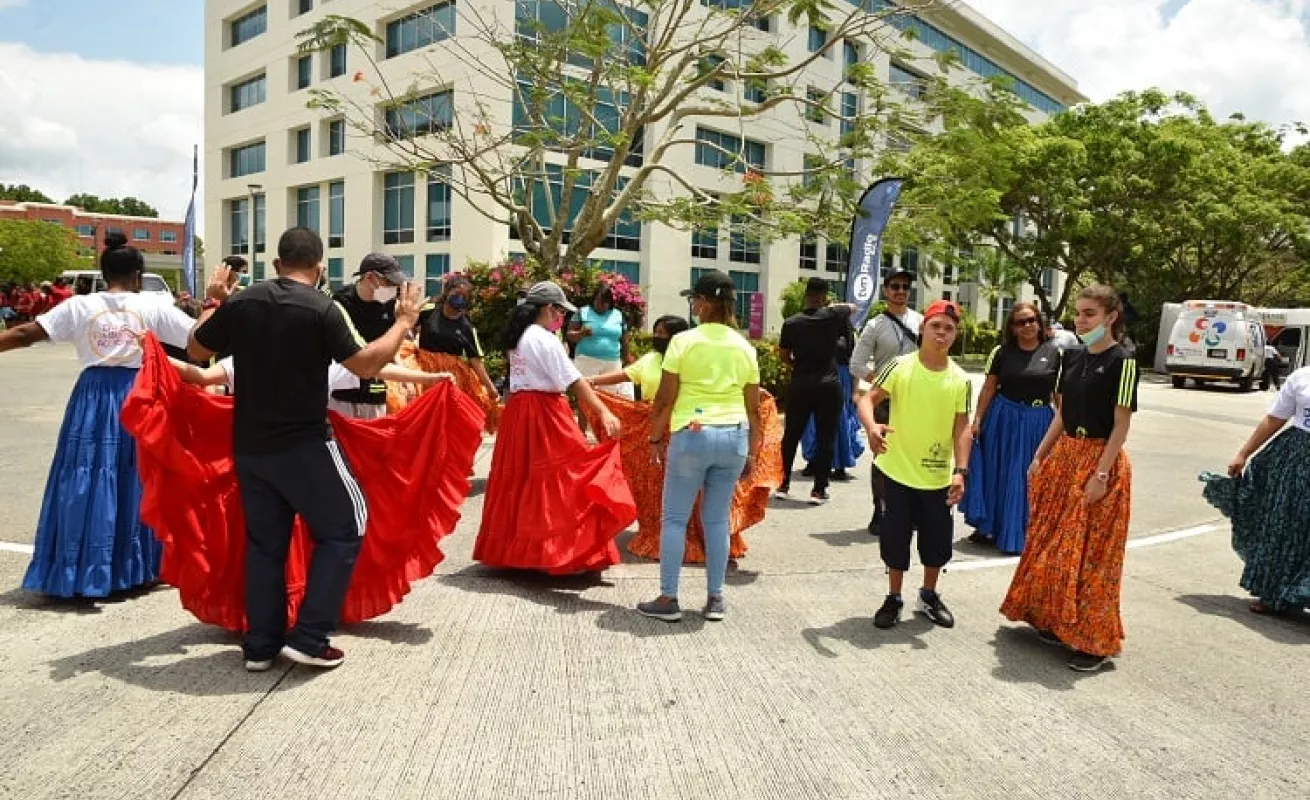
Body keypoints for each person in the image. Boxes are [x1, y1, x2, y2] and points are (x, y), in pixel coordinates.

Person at [185, 226, 422, 671]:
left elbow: (197, 348)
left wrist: (215, 300)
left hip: (252, 447)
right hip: (305, 443)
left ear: (276, 264)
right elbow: (366, 363)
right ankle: (310, 637)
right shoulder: (323, 307)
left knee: (265, 545)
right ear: (319, 268)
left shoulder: (244, 301)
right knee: (347, 525)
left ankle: (260, 645)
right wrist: (404, 322)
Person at [0, 232, 198, 597]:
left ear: (104, 272)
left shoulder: (79, 306)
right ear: (138, 274)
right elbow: (199, 339)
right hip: (139, 395)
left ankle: (77, 569)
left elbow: (27, 333)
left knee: (84, 475)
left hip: (91, 398)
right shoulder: (152, 306)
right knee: (137, 476)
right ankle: (133, 567)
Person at [1000, 285, 1138, 672]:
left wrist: (1101, 474)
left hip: (1098, 459)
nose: (1081, 320)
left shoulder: (1122, 361)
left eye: (1090, 313)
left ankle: (1094, 641)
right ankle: (1052, 619)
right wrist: (1040, 455)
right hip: (1065, 458)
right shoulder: (1071, 357)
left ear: (1111, 317)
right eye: (1078, 313)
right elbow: (1062, 414)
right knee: (1050, 545)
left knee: (1093, 555)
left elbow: (1121, 424)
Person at [588, 316, 784, 565]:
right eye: (656, 331)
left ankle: (698, 554)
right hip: (657, 428)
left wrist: (758, 396)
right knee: (660, 494)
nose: (657, 336)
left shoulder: (693, 358)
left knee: (704, 497)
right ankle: (693, 568)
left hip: (688, 430)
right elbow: (627, 375)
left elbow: (723, 384)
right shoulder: (651, 360)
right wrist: (590, 383)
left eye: (662, 333)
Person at [472, 281, 636, 574]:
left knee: (521, 481)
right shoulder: (545, 339)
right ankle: (564, 552)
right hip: (544, 412)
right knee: (568, 475)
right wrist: (603, 411)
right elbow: (574, 381)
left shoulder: (520, 337)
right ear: (549, 309)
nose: (562, 317)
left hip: (520, 411)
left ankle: (518, 553)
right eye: (560, 311)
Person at [637, 270, 764, 623]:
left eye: (695, 299)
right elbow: (754, 407)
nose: (693, 305)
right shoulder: (745, 347)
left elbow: (664, 399)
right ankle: (715, 598)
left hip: (692, 432)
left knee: (675, 519)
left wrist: (655, 437)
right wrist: (753, 451)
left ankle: (669, 598)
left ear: (705, 302)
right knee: (717, 520)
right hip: (734, 435)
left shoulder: (684, 342)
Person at [855, 299, 971, 631]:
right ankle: (894, 597)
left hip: (936, 476)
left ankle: (929, 595)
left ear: (955, 335)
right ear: (923, 328)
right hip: (896, 471)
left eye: (949, 328)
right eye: (936, 326)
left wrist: (961, 471)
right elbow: (867, 398)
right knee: (895, 539)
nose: (942, 333)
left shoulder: (960, 379)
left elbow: (962, 427)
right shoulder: (900, 366)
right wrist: (872, 427)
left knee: (936, 543)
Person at [1200, 366, 1310, 615]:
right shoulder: (1302, 377)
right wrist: (1243, 453)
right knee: (1284, 526)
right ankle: (1272, 592)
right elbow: (1275, 418)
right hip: (1297, 460)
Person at [962, 303, 1060, 555]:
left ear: (1039, 322)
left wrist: (1065, 425)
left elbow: (1058, 395)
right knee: (999, 473)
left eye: (1030, 320)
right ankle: (989, 528)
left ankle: (1027, 530)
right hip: (1003, 418)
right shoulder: (1001, 353)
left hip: (1038, 421)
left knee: (1029, 476)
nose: (1026, 326)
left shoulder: (1054, 353)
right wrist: (978, 420)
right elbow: (988, 388)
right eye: (1020, 322)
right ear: (1012, 328)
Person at [849, 268, 922, 534]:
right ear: (885, 290)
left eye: (905, 286)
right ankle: (880, 511)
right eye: (895, 286)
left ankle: (910, 511)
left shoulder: (921, 321)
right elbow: (856, 364)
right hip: (886, 401)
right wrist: (881, 382)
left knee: (912, 454)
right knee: (883, 455)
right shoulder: (875, 325)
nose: (900, 292)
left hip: (915, 400)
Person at [778, 277, 857, 504]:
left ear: (805, 295)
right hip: (829, 383)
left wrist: (798, 364)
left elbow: (784, 355)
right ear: (824, 297)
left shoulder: (792, 323)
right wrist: (830, 306)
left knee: (791, 435)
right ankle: (819, 490)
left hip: (801, 383)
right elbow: (853, 307)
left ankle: (783, 484)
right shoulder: (833, 316)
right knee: (826, 437)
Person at [393, 274, 501, 427]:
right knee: (422, 414)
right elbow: (405, 323)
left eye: (464, 296)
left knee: (446, 419)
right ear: (447, 293)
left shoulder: (466, 326)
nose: (460, 298)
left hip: (450, 377)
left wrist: (490, 387)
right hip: (425, 371)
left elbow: (475, 360)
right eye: (456, 294)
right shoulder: (429, 311)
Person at [329, 253, 407, 420]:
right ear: (370, 277)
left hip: (375, 385)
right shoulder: (340, 302)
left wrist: (404, 376)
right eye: (389, 282)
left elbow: (390, 346)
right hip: (341, 389)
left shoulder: (390, 305)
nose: (393, 288)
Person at [800, 314, 862, 482]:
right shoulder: (821, 332)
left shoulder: (849, 337)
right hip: (823, 377)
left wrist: (855, 391)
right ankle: (814, 461)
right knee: (814, 421)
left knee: (838, 423)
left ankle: (839, 465)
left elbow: (855, 365)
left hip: (839, 379)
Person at [568, 284, 633, 432]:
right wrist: (580, 334)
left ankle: (604, 432)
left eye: (604, 302)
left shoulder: (618, 315)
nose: (601, 305)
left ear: (610, 302)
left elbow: (624, 338)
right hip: (586, 359)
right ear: (593, 300)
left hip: (612, 361)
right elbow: (569, 335)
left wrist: (627, 356)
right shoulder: (582, 313)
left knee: (608, 397)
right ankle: (582, 432)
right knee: (585, 396)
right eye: (598, 301)